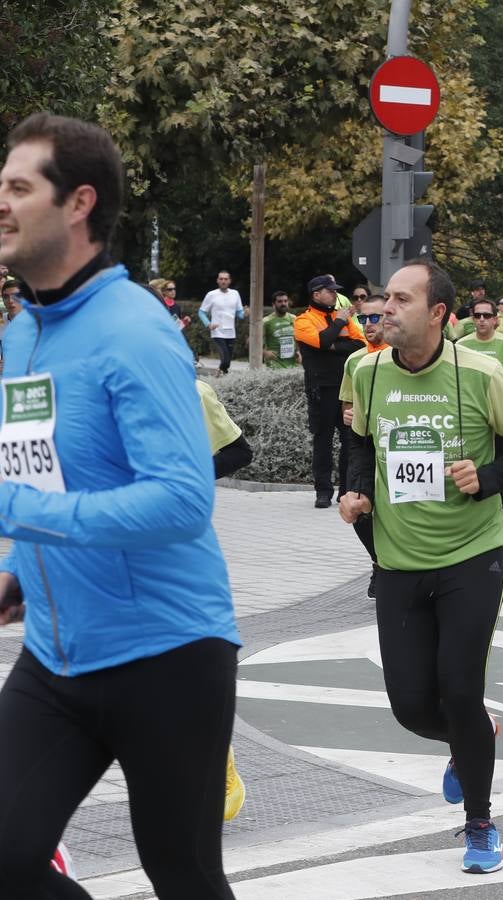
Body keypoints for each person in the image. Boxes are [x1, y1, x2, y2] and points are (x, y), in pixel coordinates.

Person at [0, 112, 240, 899]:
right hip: (57, 659)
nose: (0, 202)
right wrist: (19, 576)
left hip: (165, 658)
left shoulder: (133, 329)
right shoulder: (19, 337)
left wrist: (16, 515)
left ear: (79, 204)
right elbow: (52, 480)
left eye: (18, 187)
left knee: (186, 878)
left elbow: (180, 501)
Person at [339, 258, 503, 876]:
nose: (385, 309)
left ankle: (480, 825)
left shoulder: (482, 374)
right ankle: (473, 737)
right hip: (398, 561)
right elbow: (358, 439)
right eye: (385, 298)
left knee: (459, 690)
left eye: (402, 300)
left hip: (470, 558)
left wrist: (485, 478)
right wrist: (356, 492)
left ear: (438, 314)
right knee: (411, 707)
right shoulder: (366, 369)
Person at [193, 377, 253, 823]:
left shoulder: (190, 390)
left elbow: (238, 452)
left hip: (180, 563)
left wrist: (190, 470)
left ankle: (220, 774)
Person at [295, 273, 366, 508]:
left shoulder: (341, 317)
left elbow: (360, 344)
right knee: (323, 440)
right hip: (320, 389)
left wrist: (333, 343)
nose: (335, 294)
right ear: (316, 294)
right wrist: (337, 329)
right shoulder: (304, 320)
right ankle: (323, 491)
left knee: (349, 439)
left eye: (336, 291)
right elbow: (323, 342)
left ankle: (345, 489)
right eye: (331, 291)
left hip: (345, 388)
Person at [338, 292, 391, 598]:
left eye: (375, 317)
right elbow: (347, 406)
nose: (369, 324)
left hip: (391, 446)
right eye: (363, 318)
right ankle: (377, 561)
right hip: (361, 445)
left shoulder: (401, 356)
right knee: (358, 513)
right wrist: (349, 415)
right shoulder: (355, 360)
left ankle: (393, 566)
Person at [457, 297, 503, 384]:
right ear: (473, 319)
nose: (481, 319)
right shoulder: (460, 345)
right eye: (477, 315)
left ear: (495, 320)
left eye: (486, 315)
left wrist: (498, 379)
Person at [199, 269, 247, 376]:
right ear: (217, 281)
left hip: (231, 332)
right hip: (217, 332)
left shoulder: (235, 294)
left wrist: (245, 314)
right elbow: (201, 312)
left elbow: (239, 314)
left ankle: (221, 379)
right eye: (221, 279)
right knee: (224, 360)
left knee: (228, 363)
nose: (223, 281)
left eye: (226, 279)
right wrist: (208, 324)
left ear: (229, 281)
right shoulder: (211, 294)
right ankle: (219, 376)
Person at [261, 290, 299, 369]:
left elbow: (299, 338)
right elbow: (251, 342)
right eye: (280, 301)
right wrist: (264, 353)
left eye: (285, 301)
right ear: (273, 304)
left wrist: (299, 352)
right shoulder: (266, 321)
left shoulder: (294, 319)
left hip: (292, 365)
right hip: (275, 365)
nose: (283, 304)